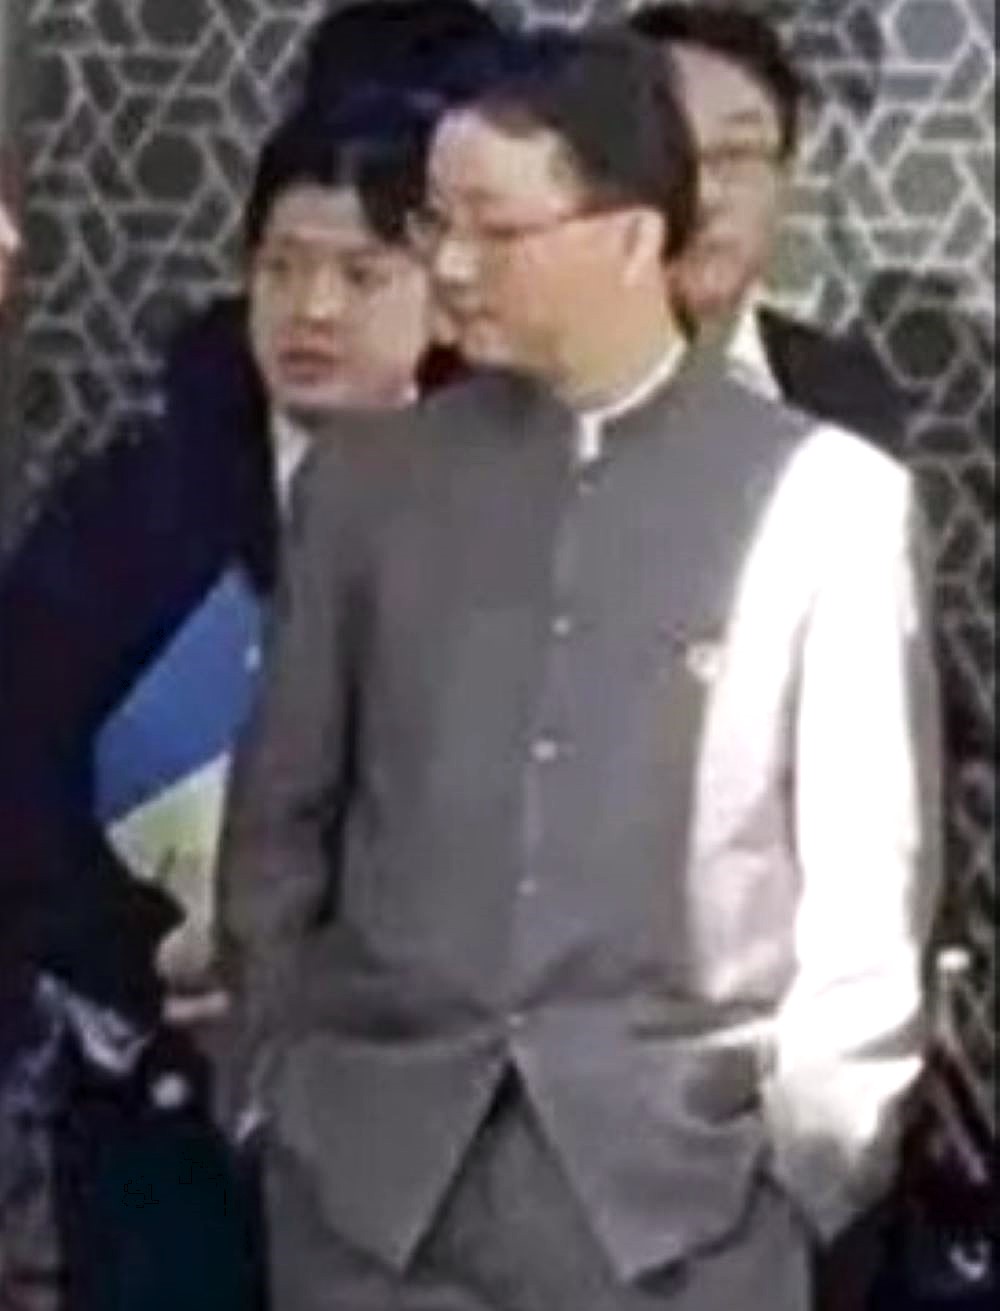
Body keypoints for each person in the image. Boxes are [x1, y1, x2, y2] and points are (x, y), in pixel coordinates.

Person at [218, 29, 942, 1311]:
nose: (451, 265)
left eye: (495, 228)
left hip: (684, 1207)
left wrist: (808, 1172)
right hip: (371, 1193)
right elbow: (278, 824)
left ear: (630, 237)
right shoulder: (366, 485)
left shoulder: (828, 505)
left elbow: (864, 899)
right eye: (438, 222)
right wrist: (270, 1085)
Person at [0, 93, 444, 1310]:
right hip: (161, 1104)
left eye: (361, 274)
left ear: (445, 289)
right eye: (280, 267)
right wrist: (142, 955)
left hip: (420, 1124)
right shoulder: (132, 509)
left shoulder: (514, 519)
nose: (312, 309)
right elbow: (19, 774)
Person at [630, 2, 906, 453]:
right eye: (668, 151)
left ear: (786, 171)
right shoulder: (525, 399)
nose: (704, 194)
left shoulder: (861, 399)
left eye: (736, 153)